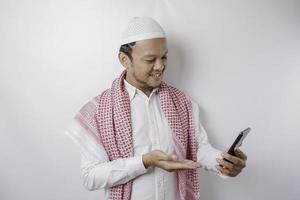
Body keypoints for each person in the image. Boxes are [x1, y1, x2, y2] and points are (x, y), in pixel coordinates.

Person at [65, 17, 247, 200]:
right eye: (150, 59)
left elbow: (196, 148)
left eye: (164, 57)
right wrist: (145, 162)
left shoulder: (181, 102)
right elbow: (91, 177)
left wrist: (222, 162)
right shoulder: (98, 110)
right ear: (124, 60)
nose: (160, 66)